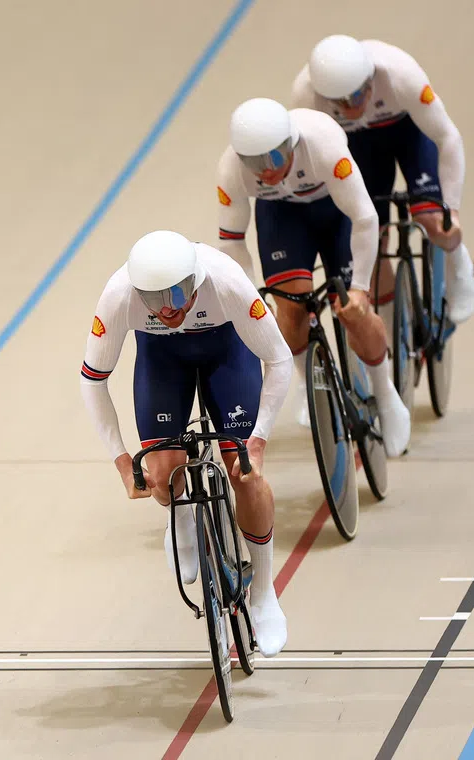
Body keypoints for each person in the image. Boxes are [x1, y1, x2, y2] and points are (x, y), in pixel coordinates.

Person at [79, 229, 293, 657]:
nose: (168, 309)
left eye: (178, 294)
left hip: (227, 353)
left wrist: (259, 441)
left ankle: (265, 592)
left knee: (246, 477)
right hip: (163, 361)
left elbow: (280, 358)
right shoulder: (119, 294)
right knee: (160, 474)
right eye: (154, 300)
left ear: (195, 279)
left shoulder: (227, 280)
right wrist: (123, 463)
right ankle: (180, 519)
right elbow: (92, 381)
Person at [214, 97, 411, 454]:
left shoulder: (323, 146)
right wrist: (250, 301)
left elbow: (366, 219)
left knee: (353, 310)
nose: (266, 171)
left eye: (274, 158)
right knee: (288, 311)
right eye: (254, 162)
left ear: (291, 144)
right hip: (284, 218)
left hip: (337, 213)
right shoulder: (231, 169)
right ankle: (309, 383)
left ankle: (386, 394)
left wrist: (361, 290)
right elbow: (231, 243)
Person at [290, 34, 474, 338]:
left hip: (408, 133)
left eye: (359, 95)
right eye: (342, 101)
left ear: (370, 78)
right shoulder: (305, 96)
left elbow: (447, 138)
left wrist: (451, 210)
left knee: (433, 220)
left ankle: (459, 265)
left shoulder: (400, 74)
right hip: (360, 148)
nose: (353, 106)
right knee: (371, 246)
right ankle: (395, 334)